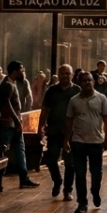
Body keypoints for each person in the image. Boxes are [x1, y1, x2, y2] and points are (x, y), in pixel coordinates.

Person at [63, 70, 107, 213]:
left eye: (89, 80)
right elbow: (69, 121)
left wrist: (106, 138)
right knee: (80, 173)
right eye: (84, 81)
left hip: (96, 141)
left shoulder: (101, 98)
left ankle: (95, 190)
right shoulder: (74, 100)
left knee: (96, 172)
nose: (87, 83)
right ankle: (82, 203)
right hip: (78, 141)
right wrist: (66, 139)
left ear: (94, 82)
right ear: (80, 83)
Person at [39, 64, 80, 200]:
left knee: (70, 163)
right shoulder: (51, 90)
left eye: (67, 73)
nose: (65, 76)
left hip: (72, 132)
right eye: (62, 73)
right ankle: (57, 181)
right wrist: (40, 127)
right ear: (58, 74)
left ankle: (67, 190)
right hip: (54, 131)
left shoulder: (77, 90)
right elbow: (44, 109)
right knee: (51, 159)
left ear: (72, 75)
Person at [0, 75, 40, 188]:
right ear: (15, 71)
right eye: (20, 70)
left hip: (14, 123)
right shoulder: (7, 84)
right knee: (1, 149)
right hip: (8, 123)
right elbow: (6, 103)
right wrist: (16, 119)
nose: (23, 72)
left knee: (20, 149)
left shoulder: (12, 83)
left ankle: (24, 178)